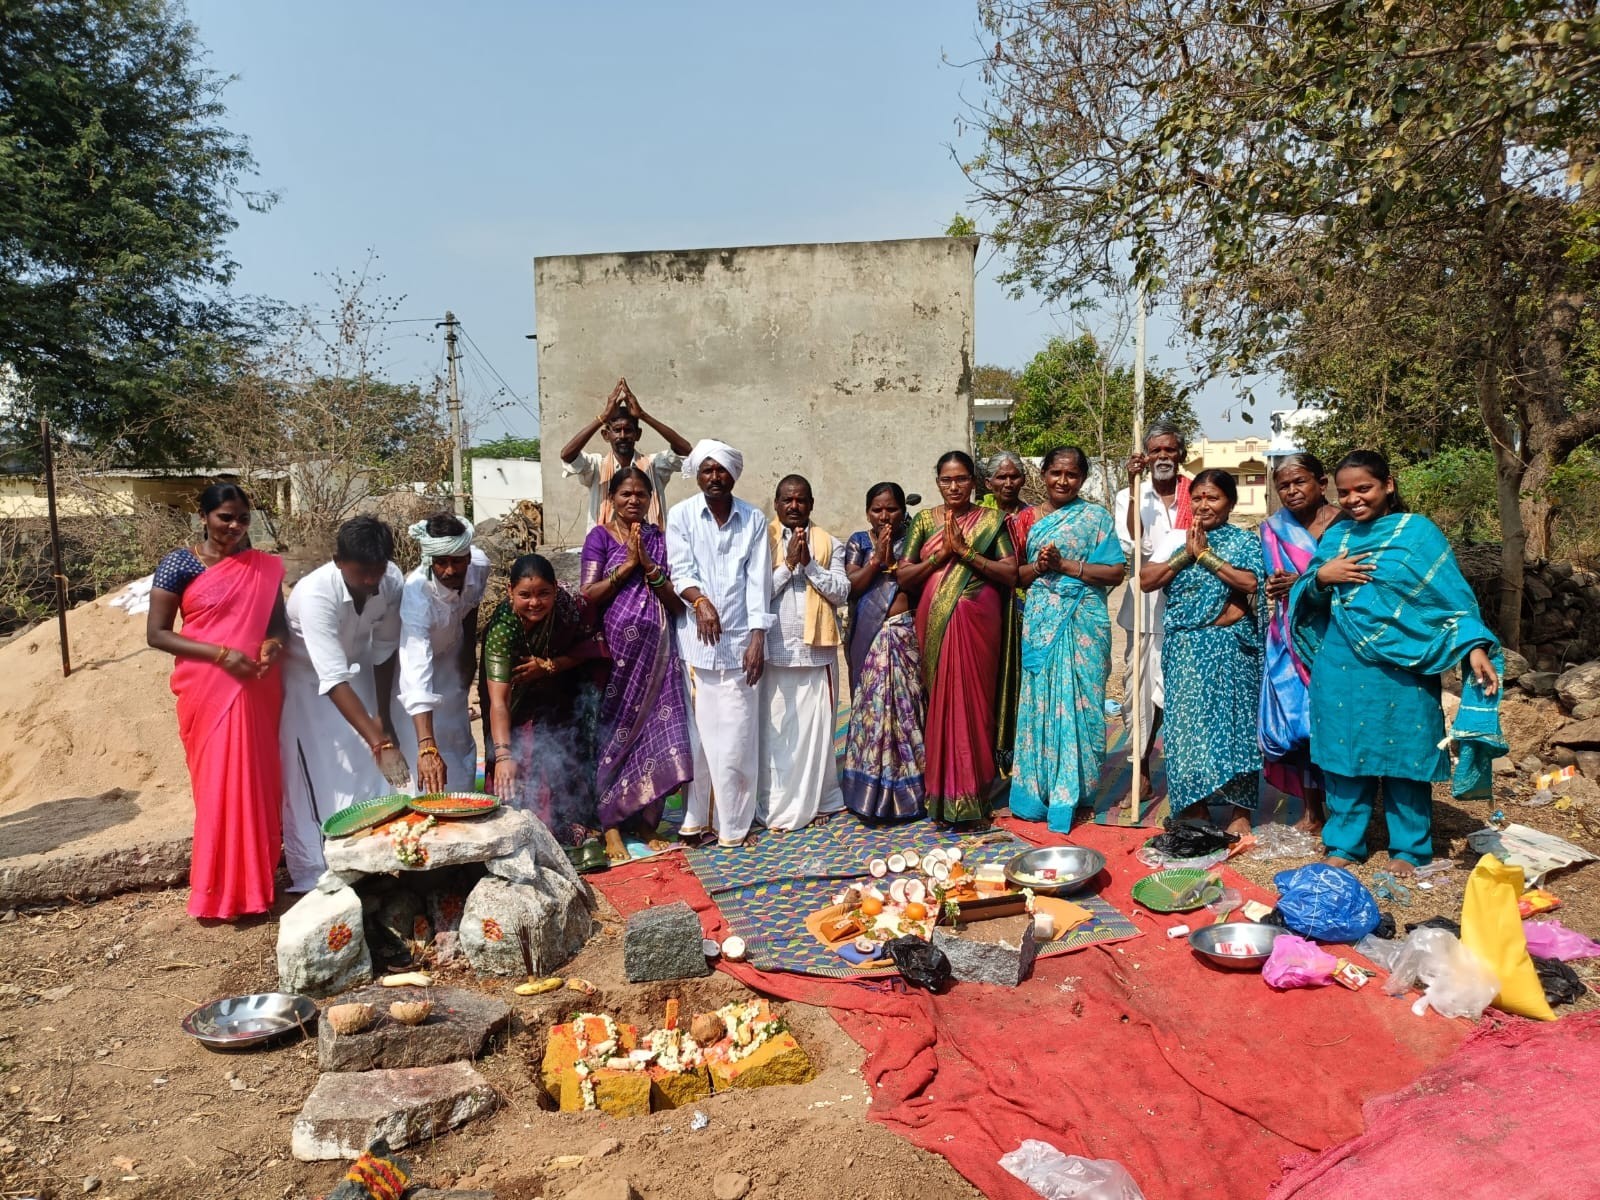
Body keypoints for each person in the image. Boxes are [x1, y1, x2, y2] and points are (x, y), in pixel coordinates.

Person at [1289, 450, 1502, 875]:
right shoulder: (1336, 538)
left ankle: (1409, 847)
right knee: (1343, 754)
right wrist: (1320, 578)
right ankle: (1345, 844)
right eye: (1344, 492)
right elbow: (1306, 599)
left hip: (1407, 667)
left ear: (1388, 485)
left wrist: (1473, 646)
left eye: (1363, 488)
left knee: (1408, 751)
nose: (1353, 499)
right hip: (1343, 664)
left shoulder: (1418, 534)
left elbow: (1451, 601)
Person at [147, 484, 287, 920]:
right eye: (225, 517)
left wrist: (271, 648)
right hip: (208, 689)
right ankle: (216, 893)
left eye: (242, 518)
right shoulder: (179, 564)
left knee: (259, 786)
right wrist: (224, 655)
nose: (234, 527)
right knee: (218, 790)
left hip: (259, 687)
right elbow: (158, 634)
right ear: (204, 516)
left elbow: (278, 626)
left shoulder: (263, 569)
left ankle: (256, 887)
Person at [279, 516, 410, 892]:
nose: (371, 580)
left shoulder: (391, 581)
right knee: (324, 773)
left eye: (378, 570)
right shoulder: (316, 594)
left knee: (370, 773)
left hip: (361, 673)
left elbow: (385, 649)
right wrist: (378, 742)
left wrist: (383, 720)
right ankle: (321, 870)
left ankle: (374, 861)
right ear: (338, 560)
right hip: (309, 683)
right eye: (362, 571)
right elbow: (331, 677)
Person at [1139, 468, 1265, 837]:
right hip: (1187, 649)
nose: (1204, 505)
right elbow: (1146, 580)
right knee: (1186, 729)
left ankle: (1240, 811)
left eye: (1213, 498)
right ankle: (1194, 805)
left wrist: (1207, 557)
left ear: (1230, 503)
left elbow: (1251, 582)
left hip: (1231, 649)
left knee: (1237, 725)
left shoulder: (1243, 542)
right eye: (1197, 498)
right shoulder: (1179, 540)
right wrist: (1187, 556)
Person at [896, 451, 1019, 824]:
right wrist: (941, 556)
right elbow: (905, 576)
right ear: (937, 482)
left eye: (962, 479)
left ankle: (975, 794)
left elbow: (1010, 571)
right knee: (942, 704)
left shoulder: (993, 520)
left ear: (975, 482)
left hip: (980, 624)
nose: (954, 487)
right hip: (935, 622)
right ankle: (941, 796)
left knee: (975, 706)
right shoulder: (923, 521)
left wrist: (965, 553)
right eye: (947, 480)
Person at [1010, 448, 1128, 833]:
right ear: (1042, 474)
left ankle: (1076, 795)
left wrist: (1066, 566)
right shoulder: (1025, 519)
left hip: (1085, 624)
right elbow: (1013, 576)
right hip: (1042, 622)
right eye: (1056, 473)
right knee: (1041, 704)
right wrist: (1040, 566)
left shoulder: (1096, 518)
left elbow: (1114, 571)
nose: (1063, 481)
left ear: (1082, 478)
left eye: (1072, 475)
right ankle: (1037, 794)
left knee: (1084, 704)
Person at [580, 469, 694, 863]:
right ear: (611, 498)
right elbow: (588, 594)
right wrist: (626, 566)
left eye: (641, 495)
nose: (634, 501)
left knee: (664, 732)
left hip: (661, 658)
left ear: (650, 500)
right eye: (626, 494)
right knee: (614, 739)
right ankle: (610, 825)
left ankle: (647, 822)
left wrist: (648, 565)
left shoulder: (661, 540)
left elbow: (678, 604)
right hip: (617, 660)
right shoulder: (598, 538)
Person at [665, 440, 773, 848]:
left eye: (721, 470)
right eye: (707, 470)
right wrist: (701, 602)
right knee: (700, 739)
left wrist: (757, 636)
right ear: (697, 475)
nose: (714, 477)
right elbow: (681, 571)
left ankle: (734, 826)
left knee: (738, 738)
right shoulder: (682, 516)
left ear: (733, 475)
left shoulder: (753, 519)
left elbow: (758, 582)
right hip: (697, 646)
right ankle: (696, 821)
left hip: (742, 645)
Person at [481, 554, 608, 846]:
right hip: (514, 705)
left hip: (557, 698)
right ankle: (521, 836)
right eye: (524, 595)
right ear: (509, 592)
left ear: (555, 590)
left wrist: (551, 665)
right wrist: (502, 756)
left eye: (543, 594)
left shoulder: (568, 609)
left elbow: (593, 646)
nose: (535, 603)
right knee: (521, 758)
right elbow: (499, 702)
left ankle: (567, 828)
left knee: (559, 756)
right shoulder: (503, 628)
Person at [1259, 454, 1347, 831]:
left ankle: (1346, 810)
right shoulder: (1274, 527)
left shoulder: (1348, 522)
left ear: (1321, 483)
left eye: (1300, 482)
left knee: (1337, 722)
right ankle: (1313, 810)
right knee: (1299, 725)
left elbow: (1354, 574)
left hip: (1340, 633)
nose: (1292, 491)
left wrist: (1302, 582)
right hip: (1289, 637)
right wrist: (1284, 584)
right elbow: (1275, 577)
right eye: (1284, 486)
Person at [759, 475, 848, 830]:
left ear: (811, 503)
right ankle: (776, 805)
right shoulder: (760, 540)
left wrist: (810, 565)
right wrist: (787, 567)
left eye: (801, 500)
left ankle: (818, 801)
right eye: (786, 500)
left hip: (816, 655)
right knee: (775, 732)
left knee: (816, 734)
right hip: (774, 653)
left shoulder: (830, 543)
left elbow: (841, 592)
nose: (793, 506)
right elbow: (753, 594)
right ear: (777, 503)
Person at [1114, 420, 1193, 791]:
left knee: (1182, 693)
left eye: (1170, 450)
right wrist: (1132, 490)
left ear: (1181, 454)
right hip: (1145, 609)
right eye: (1156, 451)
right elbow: (1131, 544)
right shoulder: (1131, 494)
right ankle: (1139, 767)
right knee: (1140, 696)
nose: (1163, 456)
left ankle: (1187, 772)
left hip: (1189, 610)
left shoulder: (1197, 492)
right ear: (1145, 457)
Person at [841, 482, 926, 821]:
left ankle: (911, 794)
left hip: (905, 634)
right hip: (869, 633)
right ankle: (867, 795)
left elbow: (918, 582)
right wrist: (877, 559)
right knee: (871, 713)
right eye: (877, 509)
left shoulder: (916, 539)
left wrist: (896, 560)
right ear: (867, 512)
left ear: (903, 510)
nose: (884, 515)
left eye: (891, 508)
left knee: (908, 711)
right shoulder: (858, 542)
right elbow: (854, 585)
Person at [395, 513, 490, 794]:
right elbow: (416, 670)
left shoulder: (481, 565)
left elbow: (471, 605)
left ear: (469, 557)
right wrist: (427, 745)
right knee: (423, 750)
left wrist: (467, 654)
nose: (450, 570)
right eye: (441, 563)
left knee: (458, 739)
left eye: (457, 561)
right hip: (411, 669)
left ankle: (464, 804)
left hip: (451, 658)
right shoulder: (416, 595)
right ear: (430, 561)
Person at [560, 378, 693, 531]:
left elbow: (685, 450)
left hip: (649, 549)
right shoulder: (596, 466)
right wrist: (602, 417)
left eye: (628, 430)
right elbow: (567, 454)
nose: (622, 436)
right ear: (605, 435)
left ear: (638, 434)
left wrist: (643, 415)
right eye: (617, 430)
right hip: (606, 550)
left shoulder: (654, 465)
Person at [980, 450, 1035, 772]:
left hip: (1025, 607)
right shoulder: (977, 515)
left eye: (1014, 476)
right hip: (984, 606)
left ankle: (1018, 758)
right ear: (988, 482)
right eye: (1001, 477)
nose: (1008, 482)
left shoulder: (1034, 516)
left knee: (1019, 683)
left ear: (1024, 479)